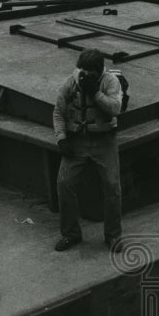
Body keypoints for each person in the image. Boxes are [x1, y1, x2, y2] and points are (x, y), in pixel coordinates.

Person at [52, 48, 124, 252]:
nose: (84, 75)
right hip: (77, 141)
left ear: (100, 70)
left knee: (112, 187)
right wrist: (62, 139)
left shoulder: (110, 82)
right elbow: (58, 111)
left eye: (90, 72)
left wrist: (95, 93)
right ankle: (70, 234)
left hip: (104, 141)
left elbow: (115, 108)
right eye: (82, 71)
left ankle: (113, 235)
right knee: (64, 183)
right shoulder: (71, 82)